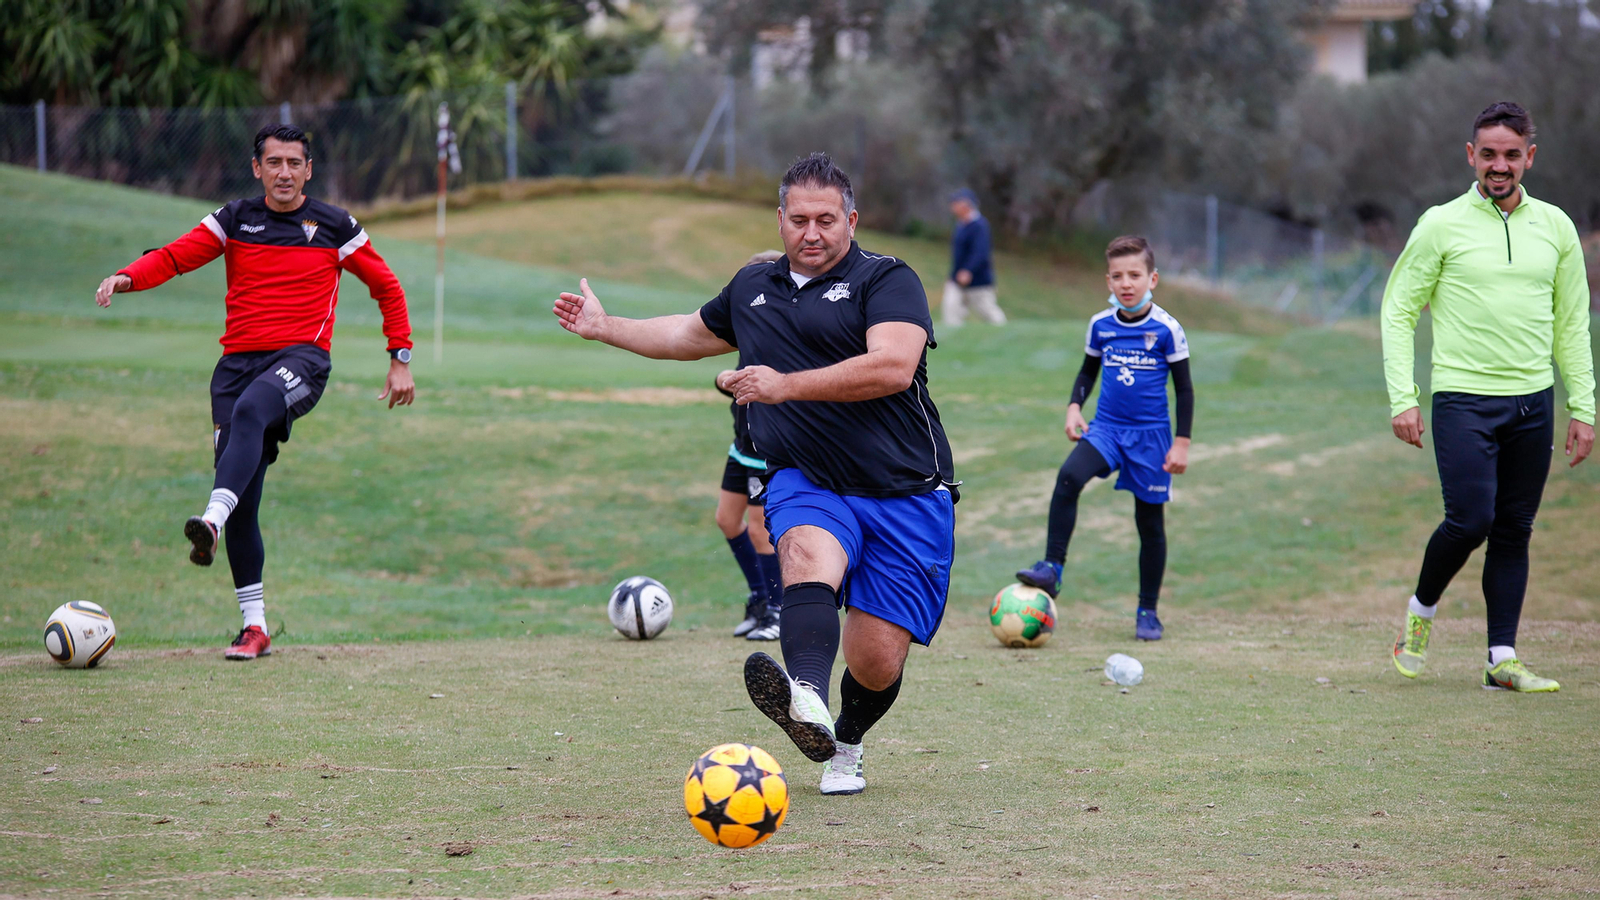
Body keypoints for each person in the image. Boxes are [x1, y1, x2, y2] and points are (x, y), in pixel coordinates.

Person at [554, 153, 957, 796]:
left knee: (876, 660)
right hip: (808, 478)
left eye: (827, 219)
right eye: (799, 219)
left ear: (852, 220)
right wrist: (605, 327)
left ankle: (844, 741)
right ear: (780, 220)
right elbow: (686, 333)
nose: (813, 232)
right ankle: (804, 694)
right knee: (801, 551)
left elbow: (893, 366)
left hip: (906, 490)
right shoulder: (753, 286)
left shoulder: (887, 280)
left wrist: (784, 385)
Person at [93, 123, 415, 661]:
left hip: (301, 363)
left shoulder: (337, 226)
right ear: (256, 168)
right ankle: (254, 626)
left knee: (251, 413)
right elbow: (175, 256)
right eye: (274, 163)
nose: (284, 172)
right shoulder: (235, 219)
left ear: (308, 170)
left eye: (294, 163)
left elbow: (386, 285)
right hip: (235, 368)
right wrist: (127, 277)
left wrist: (399, 356)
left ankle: (209, 521)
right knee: (243, 496)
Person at [1382, 101, 1593, 693]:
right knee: (1470, 519)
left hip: (1533, 402)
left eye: (1511, 154)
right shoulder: (1441, 224)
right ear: (1471, 156)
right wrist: (1404, 396)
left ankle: (1502, 658)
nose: (1499, 165)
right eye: (1489, 154)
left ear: (1530, 156)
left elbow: (1571, 325)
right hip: (1463, 400)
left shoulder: (1556, 228)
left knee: (1514, 528)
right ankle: (1420, 614)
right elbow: (1399, 309)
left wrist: (1584, 407)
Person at [1015, 235, 1192, 641]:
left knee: (1149, 523)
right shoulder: (1100, 325)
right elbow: (1087, 372)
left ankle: (1148, 611)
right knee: (1068, 477)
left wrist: (1181, 442)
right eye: (1118, 276)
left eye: (1135, 275)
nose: (1126, 283)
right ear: (1108, 281)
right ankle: (1052, 568)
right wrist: (1074, 406)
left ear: (1153, 279)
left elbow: (1184, 389)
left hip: (1151, 439)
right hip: (1107, 429)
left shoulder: (1167, 330)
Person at [713, 248, 787, 642]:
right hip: (739, 447)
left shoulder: (784, 333)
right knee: (727, 519)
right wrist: (725, 380)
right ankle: (759, 599)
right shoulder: (748, 326)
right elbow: (736, 380)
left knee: (761, 531)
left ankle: (777, 612)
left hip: (764, 454)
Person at [941, 188, 1006, 327]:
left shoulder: (980, 226)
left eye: (956, 202)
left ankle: (1005, 330)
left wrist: (968, 270)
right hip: (957, 279)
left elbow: (981, 252)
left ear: (966, 205)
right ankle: (953, 337)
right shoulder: (960, 225)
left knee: (987, 311)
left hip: (978, 280)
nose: (952, 206)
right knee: (951, 307)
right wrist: (953, 273)